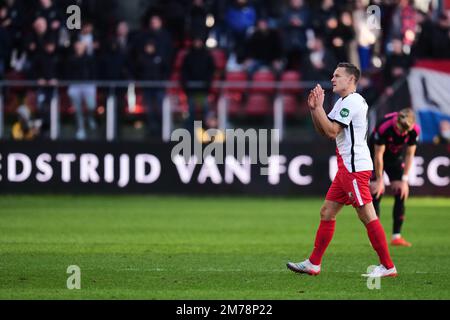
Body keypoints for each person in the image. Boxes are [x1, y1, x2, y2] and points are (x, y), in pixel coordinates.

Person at [287, 62, 397, 278]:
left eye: (337, 75)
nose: (333, 79)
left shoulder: (354, 102)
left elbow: (331, 131)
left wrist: (319, 108)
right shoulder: (342, 102)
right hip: (346, 168)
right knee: (327, 212)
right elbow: (324, 129)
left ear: (351, 80)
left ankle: (388, 266)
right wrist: (314, 110)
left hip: (354, 168)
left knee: (367, 215)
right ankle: (313, 264)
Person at [369, 108, 420, 247]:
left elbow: (410, 154)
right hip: (373, 156)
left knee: (401, 191)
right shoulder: (384, 126)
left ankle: (396, 237)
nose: (403, 133)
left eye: (406, 131)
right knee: (376, 192)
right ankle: (375, 238)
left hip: (394, 158)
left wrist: (404, 180)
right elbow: (378, 155)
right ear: (397, 122)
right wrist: (379, 180)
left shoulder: (415, 130)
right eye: (401, 130)